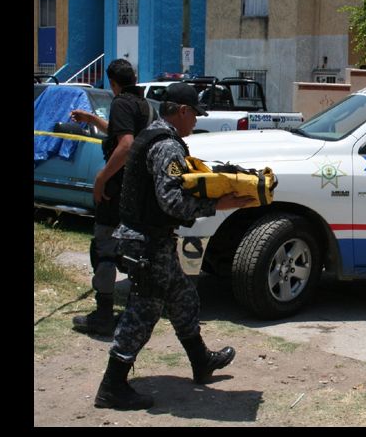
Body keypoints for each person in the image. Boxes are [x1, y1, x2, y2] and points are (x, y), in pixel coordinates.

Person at [93, 82, 253, 410]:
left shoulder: (155, 133)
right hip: (146, 243)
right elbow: (173, 203)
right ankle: (112, 386)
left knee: (182, 297)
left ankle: (200, 359)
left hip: (150, 240)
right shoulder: (167, 146)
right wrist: (220, 204)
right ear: (182, 111)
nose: (196, 121)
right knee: (144, 311)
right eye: (195, 114)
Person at [70, 58, 155, 336]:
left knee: (104, 250)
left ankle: (103, 316)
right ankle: (134, 315)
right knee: (132, 252)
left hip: (116, 190)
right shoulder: (145, 105)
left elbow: (126, 145)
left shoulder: (121, 103)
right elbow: (124, 133)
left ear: (113, 83)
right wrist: (93, 119)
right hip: (138, 193)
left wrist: (101, 177)